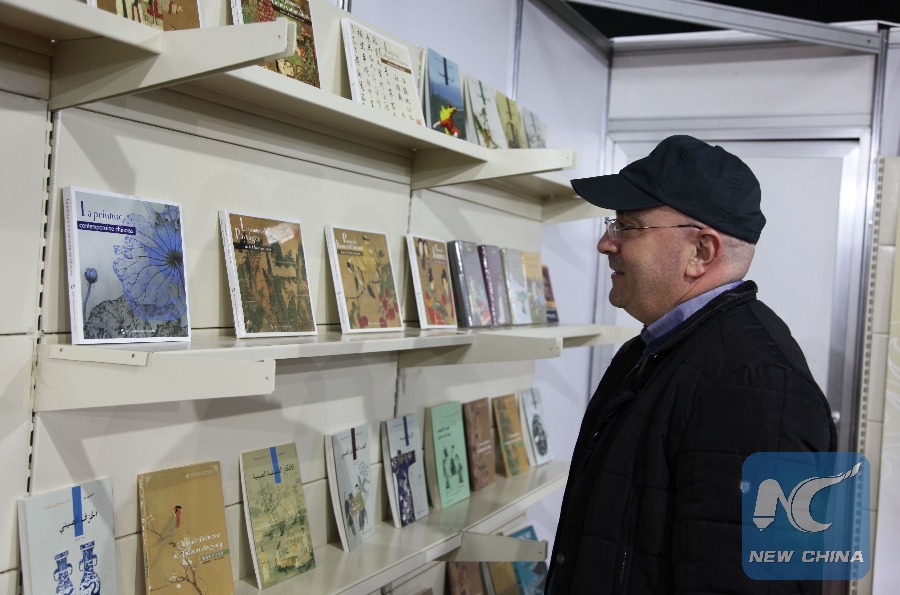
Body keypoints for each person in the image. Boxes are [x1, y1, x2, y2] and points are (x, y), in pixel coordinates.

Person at [546, 135, 836, 595]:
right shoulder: (652, 351)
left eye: (628, 226)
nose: (605, 243)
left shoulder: (757, 386)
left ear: (701, 252)